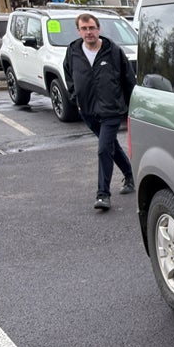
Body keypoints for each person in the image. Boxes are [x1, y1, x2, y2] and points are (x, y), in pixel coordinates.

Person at [63, 13, 136, 211]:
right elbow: (69, 75)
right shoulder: (73, 51)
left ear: (99, 29)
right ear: (79, 31)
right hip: (87, 111)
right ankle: (130, 175)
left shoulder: (113, 51)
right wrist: (75, 97)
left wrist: (132, 107)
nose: (89, 32)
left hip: (111, 110)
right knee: (110, 145)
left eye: (92, 28)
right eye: (84, 29)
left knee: (104, 149)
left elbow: (129, 79)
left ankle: (103, 194)